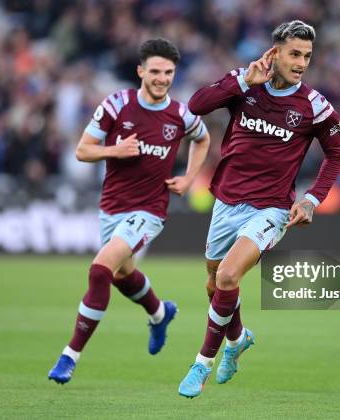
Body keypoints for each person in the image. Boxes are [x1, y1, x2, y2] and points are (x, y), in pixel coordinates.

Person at [177, 20, 340, 398]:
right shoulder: (246, 83)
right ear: (275, 51)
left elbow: (336, 155)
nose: (301, 62)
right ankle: (236, 340)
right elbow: (194, 107)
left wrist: (311, 199)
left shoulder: (315, 106)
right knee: (215, 284)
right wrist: (242, 82)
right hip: (226, 202)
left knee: (226, 276)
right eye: (294, 54)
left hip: (270, 209)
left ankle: (201, 364)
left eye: (307, 56)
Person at [48, 38, 210, 384]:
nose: (161, 78)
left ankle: (69, 356)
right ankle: (158, 312)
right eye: (155, 71)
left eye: (168, 72)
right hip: (111, 208)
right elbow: (82, 150)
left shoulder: (181, 114)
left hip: (149, 211)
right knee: (122, 275)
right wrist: (115, 151)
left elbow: (203, 139)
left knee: (99, 271)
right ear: (140, 71)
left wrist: (189, 178)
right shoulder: (116, 104)